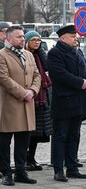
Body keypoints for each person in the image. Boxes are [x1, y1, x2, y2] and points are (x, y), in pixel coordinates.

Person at [47, 24, 86, 182]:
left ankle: (72, 167)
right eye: (73, 37)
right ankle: (58, 169)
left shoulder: (77, 51)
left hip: (79, 100)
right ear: (62, 38)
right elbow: (59, 74)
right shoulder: (54, 53)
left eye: (76, 36)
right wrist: (80, 82)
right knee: (61, 136)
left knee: (75, 135)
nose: (76, 39)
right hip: (64, 101)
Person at [0, 26, 40, 186]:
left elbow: (36, 75)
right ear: (8, 39)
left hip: (27, 104)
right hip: (9, 105)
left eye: (23, 36)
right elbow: (3, 78)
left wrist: (32, 90)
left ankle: (21, 171)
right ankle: (6, 173)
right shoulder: (2, 55)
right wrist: (23, 93)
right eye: (18, 37)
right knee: (4, 142)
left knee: (23, 141)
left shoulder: (28, 55)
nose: (22, 39)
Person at [24, 31, 53, 171]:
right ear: (27, 41)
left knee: (37, 132)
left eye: (39, 40)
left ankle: (31, 158)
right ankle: (24, 159)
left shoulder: (39, 55)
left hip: (42, 97)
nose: (37, 42)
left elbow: (47, 66)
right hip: (31, 96)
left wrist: (40, 50)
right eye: (33, 40)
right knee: (27, 132)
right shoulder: (24, 55)